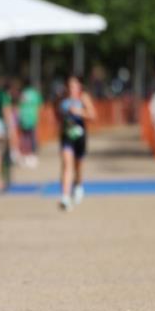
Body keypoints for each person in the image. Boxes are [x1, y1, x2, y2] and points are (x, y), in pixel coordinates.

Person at [58, 75, 97, 211]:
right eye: (69, 86)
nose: (71, 88)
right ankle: (65, 196)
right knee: (66, 164)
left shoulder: (83, 97)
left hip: (80, 136)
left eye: (74, 86)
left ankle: (79, 186)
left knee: (78, 166)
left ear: (79, 87)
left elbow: (93, 115)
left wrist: (79, 112)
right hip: (66, 136)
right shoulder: (63, 98)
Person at [17, 79, 42, 168]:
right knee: (32, 138)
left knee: (24, 138)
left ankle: (25, 156)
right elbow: (39, 106)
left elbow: (19, 105)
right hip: (32, 118)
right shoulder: (35, 94)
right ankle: (32, 156)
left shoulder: (23, 93)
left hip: (23, 118)